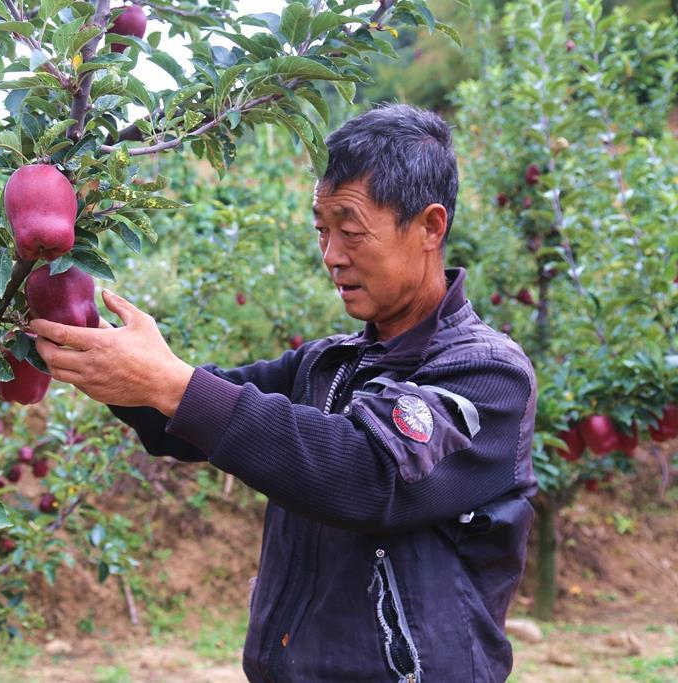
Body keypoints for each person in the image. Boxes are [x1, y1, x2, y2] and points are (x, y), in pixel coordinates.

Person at [30, 103, 538, 683]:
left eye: (351, 231)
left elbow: (367, 473)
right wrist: (85, 339)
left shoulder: (486, 375)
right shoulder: (328, 365)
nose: (331, 257)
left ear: (429, 227)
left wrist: (170, 382)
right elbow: (188, 417)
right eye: (322, 231)